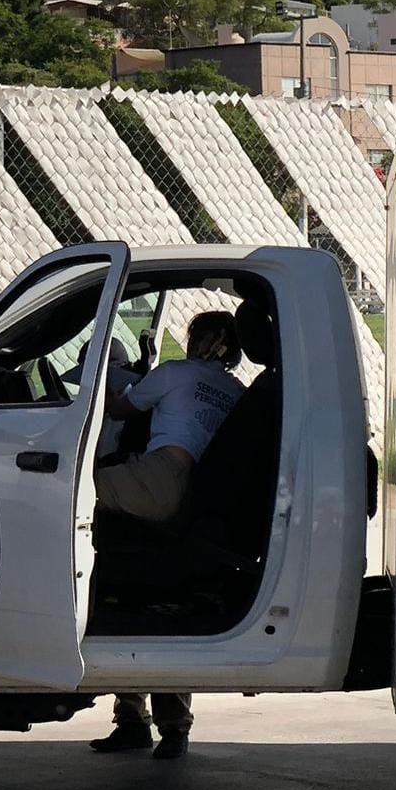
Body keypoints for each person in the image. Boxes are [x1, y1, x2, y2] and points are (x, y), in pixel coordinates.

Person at [89, 310, 245, 760]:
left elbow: (118, 408)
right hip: (194, 502)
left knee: (64, 491)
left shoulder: (175, 373)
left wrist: (100, 382)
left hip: (158, 480)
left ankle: (132, 717)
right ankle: (169, 728)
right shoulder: (235, 391)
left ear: (199, 339)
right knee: (148, 597)